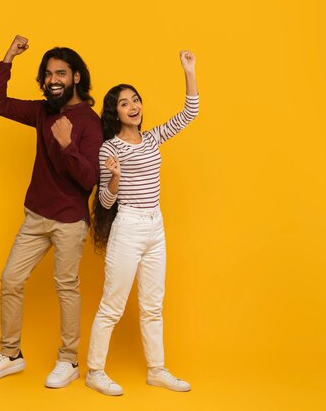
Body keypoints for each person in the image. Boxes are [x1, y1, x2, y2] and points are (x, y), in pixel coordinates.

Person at [0, 35, 103, 389]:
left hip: (69, 220)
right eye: (48, 75)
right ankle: (11, 355)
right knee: (11, 280)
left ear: (76, 77)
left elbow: (89, 179)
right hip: (35, 216)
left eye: (60, 73)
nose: (53, 80)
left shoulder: (89, 122)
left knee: (66, 288)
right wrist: (8, 57)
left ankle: (69, 360)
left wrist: (66, 145)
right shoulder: (41, 111)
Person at [85, 51, 199, 396]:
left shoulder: (152, 138)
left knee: (153, 304)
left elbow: (189, 113)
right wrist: (115, 178)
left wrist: (188, 71)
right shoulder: (110, 149)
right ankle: (94, 371)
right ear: (114, 112)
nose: (133, 106)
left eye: (135, 100)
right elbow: (105, 202)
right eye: (124, 103)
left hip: (155, 225)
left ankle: (157, 370)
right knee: (112, 304)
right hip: (129, 226)